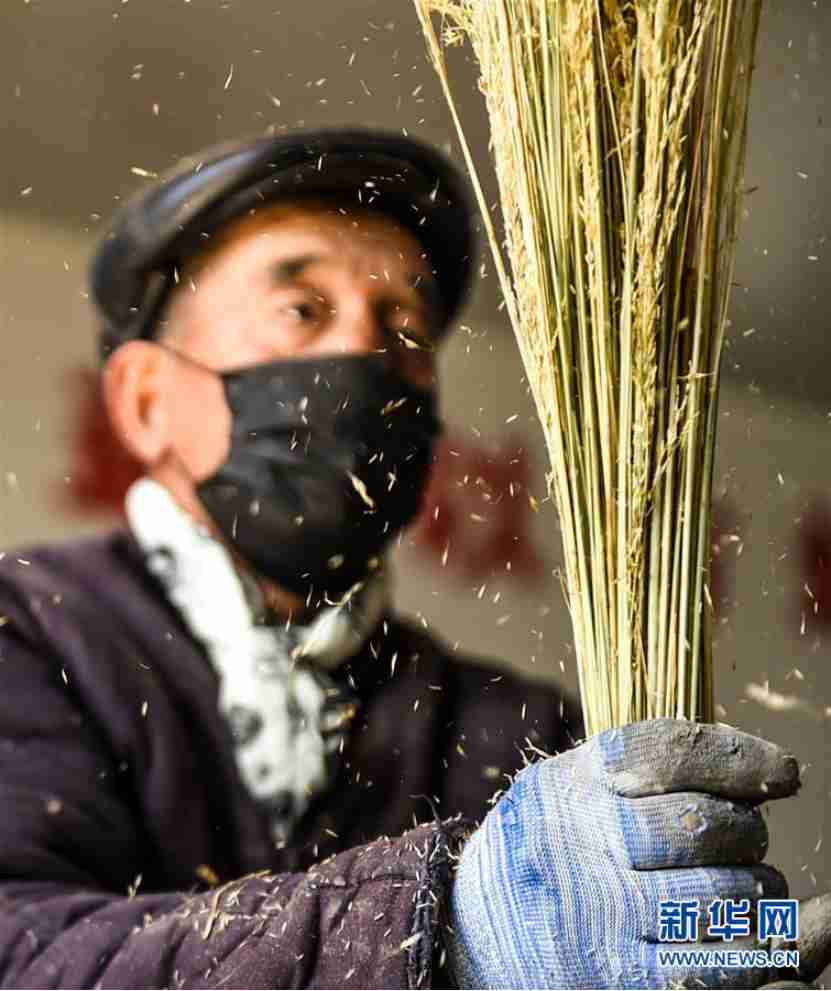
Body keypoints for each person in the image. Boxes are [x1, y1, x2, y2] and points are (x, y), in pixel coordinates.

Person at [0, 128, 827, 990]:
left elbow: (665, 930)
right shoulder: (32, 641)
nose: (366, 358)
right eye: (302, 309)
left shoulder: (522, 736)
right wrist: (452, 928)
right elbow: (22, 950)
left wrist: (745, 937)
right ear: (145, 399)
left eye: (404, 327)